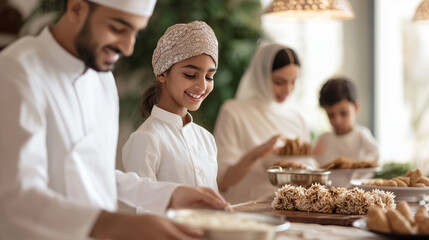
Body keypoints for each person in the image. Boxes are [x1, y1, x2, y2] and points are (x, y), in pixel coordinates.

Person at [0, 0, 228, 239]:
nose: (128, 47)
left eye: (135, 33)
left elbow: (96, 173)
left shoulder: (102, 80)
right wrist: (113, 224)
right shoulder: (16, 72)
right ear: (77, 8)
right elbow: (14, 199)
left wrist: (168, 195)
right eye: (118, 29)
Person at [122, 21, 219, 210]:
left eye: (209, 77)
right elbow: (144, 213)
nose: (202, 86)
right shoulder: (146, 139)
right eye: (191, 74)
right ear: (163, 73)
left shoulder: (207, 139)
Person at [214, 42, 312, 204]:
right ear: (261, 76)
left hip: (290, 209)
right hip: (246, 209)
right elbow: (223, 181)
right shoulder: (234, 111)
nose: (287, 90)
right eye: (279, 82)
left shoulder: (297, 118)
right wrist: (261, 151)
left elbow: (308, 170)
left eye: (293, 81)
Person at [313, 76, 379, 166]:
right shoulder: (324, 138)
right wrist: (314, 155)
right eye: (331, 115)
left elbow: (375, 153)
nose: (337, 120)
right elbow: (316, 163)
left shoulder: (361, 134)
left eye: (343, 113)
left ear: (356, 107)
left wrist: (360, 165)